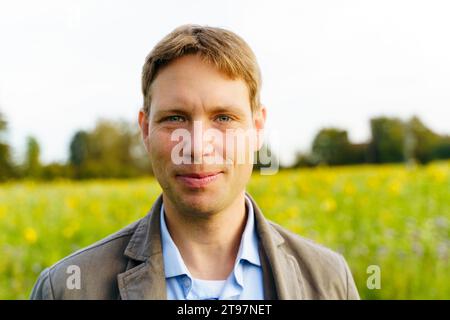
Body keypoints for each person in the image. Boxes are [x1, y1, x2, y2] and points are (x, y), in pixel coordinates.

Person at [30, 24, 359, 300]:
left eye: (224, 118)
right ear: (145, 130)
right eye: (175, 118)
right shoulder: (66, 289)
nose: (198, 146)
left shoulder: (330, 281)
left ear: (257, 129)